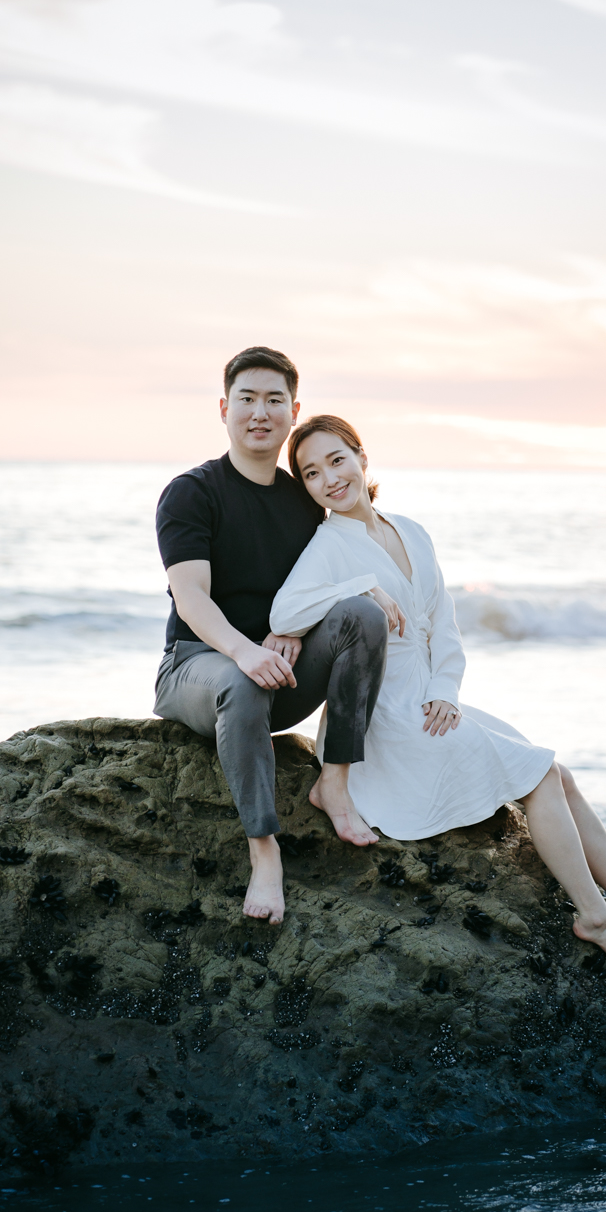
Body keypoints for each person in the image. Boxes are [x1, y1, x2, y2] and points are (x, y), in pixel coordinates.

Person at [271, 415, 606, 974]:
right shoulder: (328, 544)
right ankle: (595, 916)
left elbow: (444, 623)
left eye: (337, 460)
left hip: (427, 698)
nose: (329, 479)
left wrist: (446, 688)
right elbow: (285, 612)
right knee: (540, 776)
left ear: (362, 457)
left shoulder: (410, 530)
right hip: (383, 719)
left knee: (558, 774)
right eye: (311, 473)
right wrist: (358, 586)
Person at [152, 348, 403, 924]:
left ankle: (334, 784)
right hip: (196, 667)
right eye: (246, 399)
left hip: (279, 676)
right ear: (224, 409)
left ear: (293, 411)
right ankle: (265, 854)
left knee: (360, 615)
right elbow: (191, 598)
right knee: (240, 681)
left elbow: (323, 576)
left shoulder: (303, 498)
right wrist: (245, 648)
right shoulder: (192, 492)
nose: (259, 412)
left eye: (273, 401)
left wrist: (296, 625)